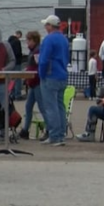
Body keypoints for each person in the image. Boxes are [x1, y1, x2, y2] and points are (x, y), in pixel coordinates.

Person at [38, 15, 69, 147]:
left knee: (51, 107)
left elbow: (43, 60)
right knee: (60, 106)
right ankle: (61, 134)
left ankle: (54, 135)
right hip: (62, 74)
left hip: (50, 76)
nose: (45, 27)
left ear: (50, 26)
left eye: (46, 25)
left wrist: (41, 74)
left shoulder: (48, 39)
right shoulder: (64, 39)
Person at [20, 31, 43, 141]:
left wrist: (29, 73)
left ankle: (49, 130)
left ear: (34, 40)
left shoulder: (37, 51)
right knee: (28, 107)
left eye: (29, 40)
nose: (27, 43)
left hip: (37, 82)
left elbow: (38, 66)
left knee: (42, 107)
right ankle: (25, 130)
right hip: (32, 83)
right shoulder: (33, 51)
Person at [7, 30, 24, 100]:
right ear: (18, 34)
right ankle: (18, 94)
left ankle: (11, 94)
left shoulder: (9, 41)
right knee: (18, 79)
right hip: (17, 62)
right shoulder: (17, 41)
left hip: (11, 62)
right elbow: (17, 52)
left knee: (12, 79)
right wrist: (21, 55)